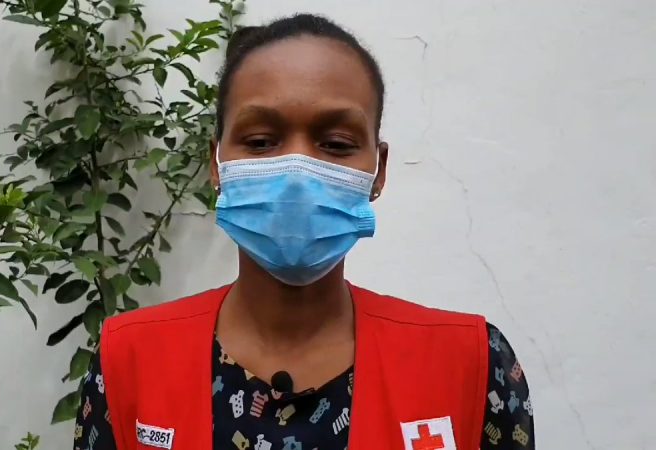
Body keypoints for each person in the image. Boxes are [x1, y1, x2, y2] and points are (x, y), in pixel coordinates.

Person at [74, 13, 534, 450]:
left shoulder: (470, 365)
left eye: (335, 144)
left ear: (378, 171)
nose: (298, 171)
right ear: (216, 165)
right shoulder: (128, 362)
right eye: (260, 141)